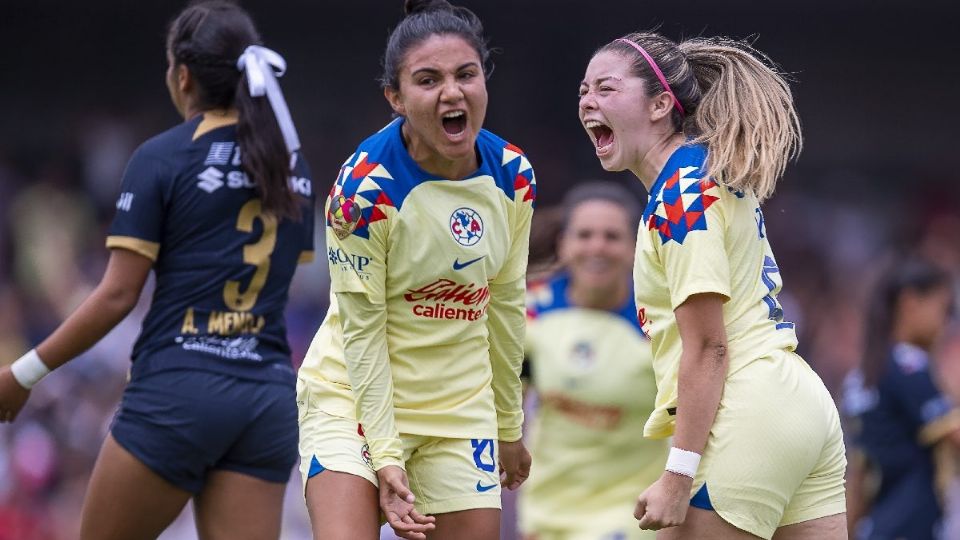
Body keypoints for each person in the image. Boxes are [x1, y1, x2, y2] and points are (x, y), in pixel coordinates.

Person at [0, 2, 315, 538]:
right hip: (264, 402)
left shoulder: (162, 157)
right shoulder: (290, 164)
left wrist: (22, 374)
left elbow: (118, 296)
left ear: (183, 75)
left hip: (179, 392)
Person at [577, 32, 847, 539]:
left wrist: (678, 474)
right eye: (583, 91)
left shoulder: (679, 196)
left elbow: (709, 348)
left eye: (606, 89)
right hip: (801, 403)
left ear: (660, 105)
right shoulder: (707, 171)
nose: (589, 101)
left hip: (746, 410)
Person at [296, 1, 535, 539]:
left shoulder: (514, 175)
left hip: (458, 410)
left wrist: (508, 425)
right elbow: (363, 331)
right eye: (428, 80)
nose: (452, 92)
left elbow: (505, 305)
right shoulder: (365, 189)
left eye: (465, 75)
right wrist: (384, 456)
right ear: (396, 99)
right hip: (353, 400)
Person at [519, 181, 669, 540]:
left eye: (611, 236)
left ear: (635, 249)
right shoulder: (528, 310)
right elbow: (502, 403)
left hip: (629, 514)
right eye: (584, 235)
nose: (597, 247)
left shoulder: (660, 324)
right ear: (564, 244)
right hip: (544, 513)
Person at [842, 258, 959, 540]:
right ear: (910, 303)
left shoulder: (860, 377)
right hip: (912, 525)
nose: (946, 323)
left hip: (876, 526)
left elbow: (859, 475)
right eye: (943, 309)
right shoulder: (908, 366)